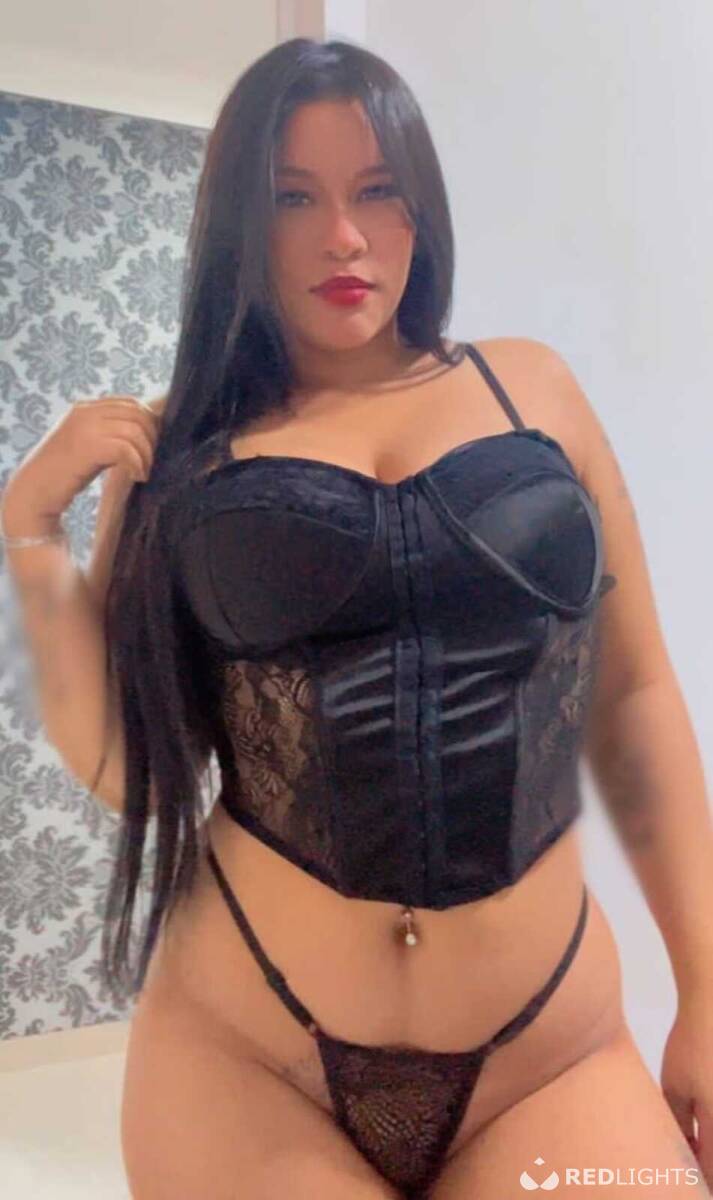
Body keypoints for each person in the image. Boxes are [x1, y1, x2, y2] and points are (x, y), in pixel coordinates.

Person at [2, 37, 712, 1200]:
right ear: (239, 225)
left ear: (419, 209)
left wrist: (705, 990)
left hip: (545, 1055)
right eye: (293, 198)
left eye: (376, 190)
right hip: (250, 1057)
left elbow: (632, 695)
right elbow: (130, 772)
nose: (343, 236)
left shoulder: (531, 392)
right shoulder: (177, 448)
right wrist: (30, 532)